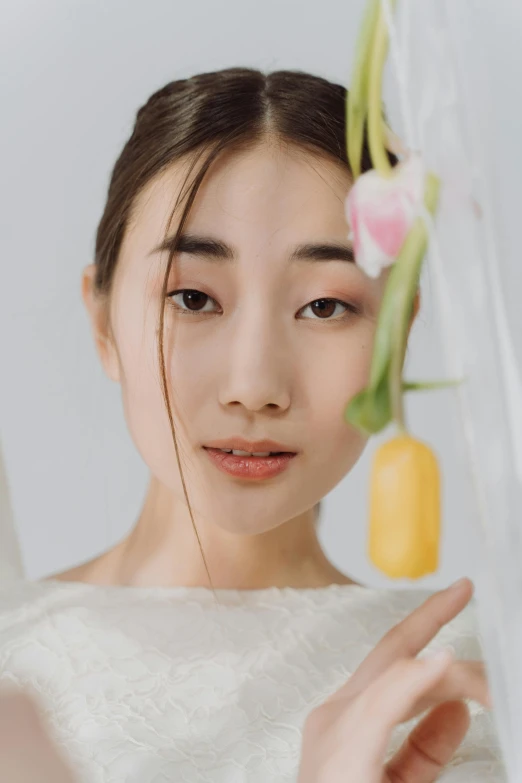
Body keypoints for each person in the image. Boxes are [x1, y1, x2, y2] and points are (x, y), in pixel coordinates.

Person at [0, 67, 505, 782]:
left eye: (326, 306)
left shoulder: (467, 679)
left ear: (397, 335)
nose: (255, 387)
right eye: (194, 297)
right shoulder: (10, 652)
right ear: (102, 320)